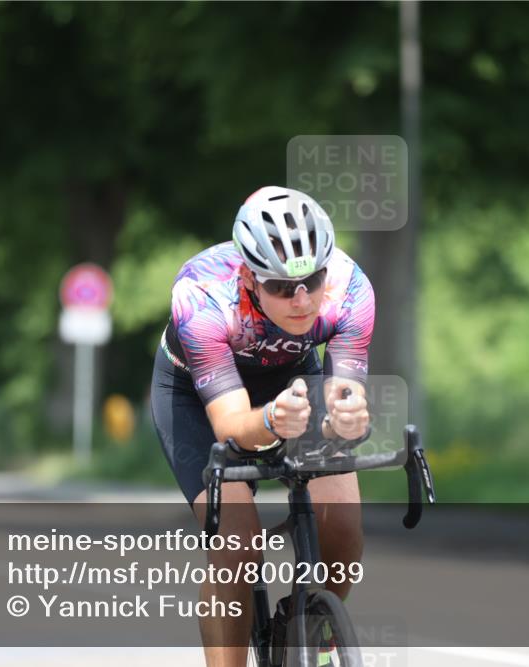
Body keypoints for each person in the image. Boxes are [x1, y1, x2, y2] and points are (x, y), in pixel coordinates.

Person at [150, 185, 375, 667]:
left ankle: (310, 631)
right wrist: (272, 419)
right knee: (237, 546)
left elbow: (343, 395)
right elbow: (232, 425)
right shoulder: (201, 296)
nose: (300, 299)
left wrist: (349, 416)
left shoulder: (350, 288)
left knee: (344, 528)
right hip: (196, 392)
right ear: (250, 277)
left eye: (311, 281)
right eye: (279, 286)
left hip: (292, 376)